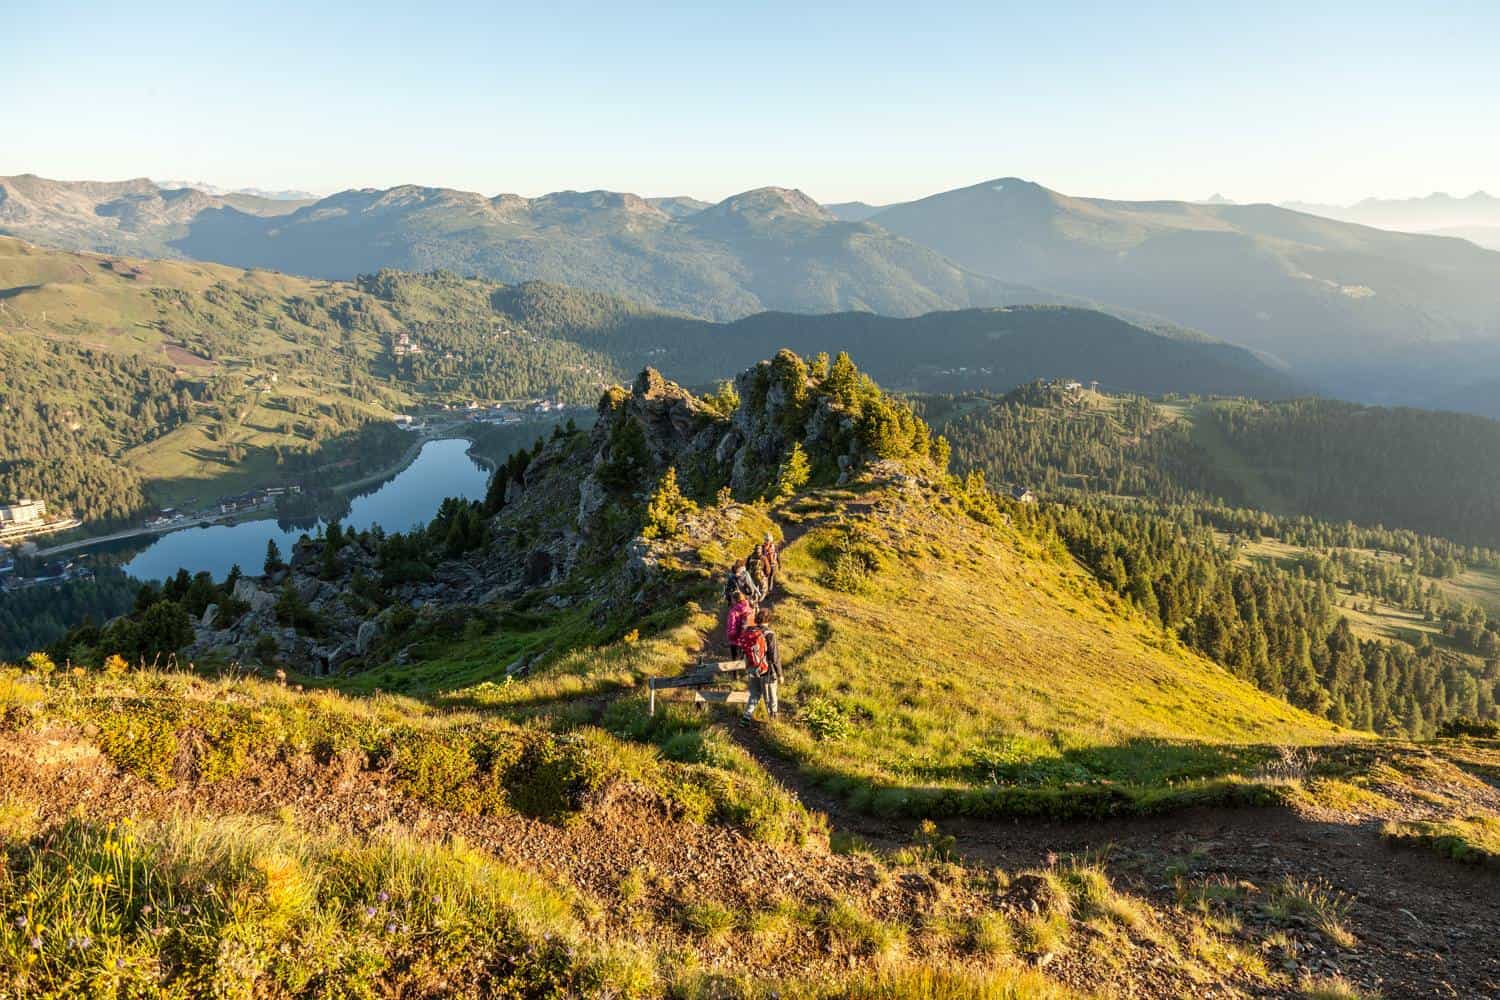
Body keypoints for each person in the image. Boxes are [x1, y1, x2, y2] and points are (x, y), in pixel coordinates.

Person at [740, 606, 783, 724]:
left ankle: (745, 717)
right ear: (769, 620)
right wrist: (780, 674)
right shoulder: (769, 634)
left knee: (754, 694)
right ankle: (773, 720)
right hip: (766, 670)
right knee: (770, 696)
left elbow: (743, 650)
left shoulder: (749, 631)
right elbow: (774, 656)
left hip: (752, 668)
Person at [725, 588, 753, 658]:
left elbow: (732, 627)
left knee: (735, 661)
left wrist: (730, 637)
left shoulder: (733, 612)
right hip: (748, 639)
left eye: (732, 599)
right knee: (747, 660)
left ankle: (735, 669)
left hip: (736, 641)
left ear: (734, 600)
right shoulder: (749, 609)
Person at [755, 532, 780, 598]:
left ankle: (769, 591)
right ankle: (764, 591)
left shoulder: (774, 547)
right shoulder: (762, 547)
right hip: (765, 565)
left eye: (768, 540)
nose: (767, 541)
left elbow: (777, 555)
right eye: (766, 540)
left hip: (772, 565)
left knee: (771, 578)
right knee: (765, 578)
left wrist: (779, 564)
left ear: (771, 540)